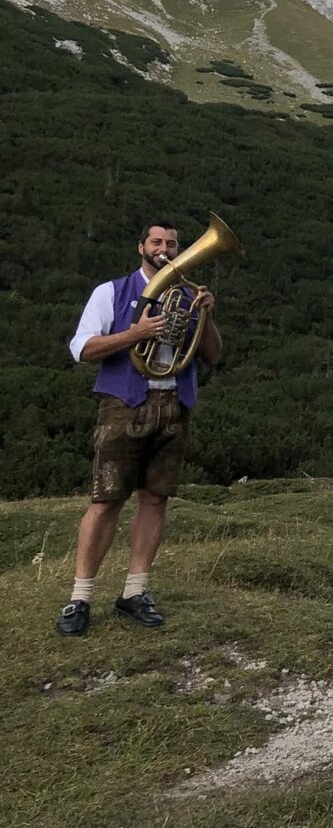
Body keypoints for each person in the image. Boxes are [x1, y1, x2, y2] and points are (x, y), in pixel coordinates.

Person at [58, 219, 223, 636]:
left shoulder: (188, 295)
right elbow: (83, 348)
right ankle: (80, 597)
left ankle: (135, 591)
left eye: (172, 243)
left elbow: (212, 355)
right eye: (156, 242)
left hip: (174, 405)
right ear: (141, 247)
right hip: (124, 405)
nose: (164, 248)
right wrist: (136, 333)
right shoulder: (111, 292)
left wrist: (206, 316)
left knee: (155, 499)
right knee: (105, 500)